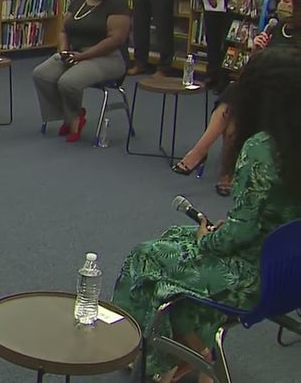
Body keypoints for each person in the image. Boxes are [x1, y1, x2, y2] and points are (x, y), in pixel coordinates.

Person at [112, 46, 301, 383]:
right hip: (290, 272)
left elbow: (238, 235)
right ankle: (189, 354)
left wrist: (209, 238)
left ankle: (166, 358)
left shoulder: (261, 147)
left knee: (145, 258)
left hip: (253, 277)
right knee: (172, 237)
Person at [173, 0, 301, 195]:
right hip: (262, 88)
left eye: (288, 2)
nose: (282, 6)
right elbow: (255, 69)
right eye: (281, 1)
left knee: (234, 100)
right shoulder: (276, 28)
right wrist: (257, 51)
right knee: (234, 101)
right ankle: (225, 170)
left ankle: (203, 155)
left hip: (287, 95)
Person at [32, 0, 131, 142]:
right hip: (75, 53)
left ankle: (74, 120)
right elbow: (64, 30)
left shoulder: (118, 4)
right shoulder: (79, 1)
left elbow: (115, 39)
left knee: (68, 81)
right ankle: (70, 116)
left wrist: (83, 56)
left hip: (107, 57)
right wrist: (63, 51)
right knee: (42, 74)